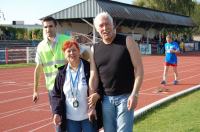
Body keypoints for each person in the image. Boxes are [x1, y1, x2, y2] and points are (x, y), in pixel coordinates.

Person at [89, 12, 144, 132]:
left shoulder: (127, 41)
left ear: (113, 24)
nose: (104, 28)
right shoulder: (94, 48)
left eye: (107, 24)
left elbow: (139, 69)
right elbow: (93, 77)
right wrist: (92, 104)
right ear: (97, 29)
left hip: (125, 98)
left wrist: (134, 94)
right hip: (106, 100)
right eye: (101, 25)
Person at [51, 40, 101, 132]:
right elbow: (56, 95)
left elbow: (99, 84)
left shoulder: (89, 68)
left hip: (88, 116)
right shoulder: (62, 73)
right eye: (68, 51)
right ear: (64, 54)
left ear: (79, 51)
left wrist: (97, 94)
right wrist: (56, 112)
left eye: (74, 50)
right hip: (70, 119)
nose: (72, 53)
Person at [33, 16, 71, 103]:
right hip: (52, 88)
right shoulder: (40, 46)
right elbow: (38, 69)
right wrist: (35, 91)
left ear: (55, 27)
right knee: (56, 115)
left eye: (50, 26)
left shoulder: (66, 40)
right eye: (45, 27)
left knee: (70, 116)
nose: (48, 29)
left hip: (69, 85)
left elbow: (83, 53)